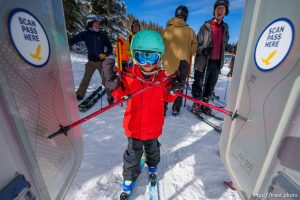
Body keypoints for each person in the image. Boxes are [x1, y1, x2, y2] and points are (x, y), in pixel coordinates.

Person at [103, 30, 188, 199]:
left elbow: (169, 97)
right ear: (135, 57)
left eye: (152, 58)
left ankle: (153, 166)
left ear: (160, 58)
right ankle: (128, 179)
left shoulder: (163, 79)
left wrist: (177, 85)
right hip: (134, 128)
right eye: (142, 57)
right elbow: (120, 94)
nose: (147, 63)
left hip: (153, 128)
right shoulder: (129, 77)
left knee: (153, 149)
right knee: (133, 155)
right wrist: (112, 84)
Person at [191, 0, 229, 115]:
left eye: (223, 8)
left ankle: (205, 104)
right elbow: (196, 45)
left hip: (217, 63)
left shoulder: (225, 28)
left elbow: (224, 44)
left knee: (210, 85)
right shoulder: (206, 26)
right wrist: (203, 49)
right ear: (214, 11)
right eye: (218, 8)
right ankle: (196, 104)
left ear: (226, 11)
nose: (220, 10)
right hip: (204, 62)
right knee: (199, 83)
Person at [68, 14, 114, 104]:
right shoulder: (85, 34)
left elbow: (110, 48)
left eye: (98, 23)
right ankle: (79, 95)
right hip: (91, 62)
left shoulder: (102, 36)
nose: (98, 25)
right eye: (96, 23)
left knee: (106, 80)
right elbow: (73, 40)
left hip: (101, 62)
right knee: (86, 79)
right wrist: (64, 42)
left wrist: (105, 54)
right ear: (90, 23)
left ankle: (111, 96)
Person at [163, 5, 198, 116]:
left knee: (165, 88)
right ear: (186, 16)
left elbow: (161, 46)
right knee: (179, 88)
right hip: (182, 66)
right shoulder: (190, 31)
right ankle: (176, 109)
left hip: (167, 67)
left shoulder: (167, 30)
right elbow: (194, 48)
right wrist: (187, 50)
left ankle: (162, 109)